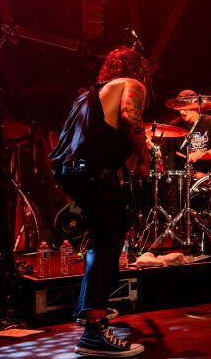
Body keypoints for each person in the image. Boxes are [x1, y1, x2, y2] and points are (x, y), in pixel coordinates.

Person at [50, 46, 151, 357]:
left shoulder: (89, 95)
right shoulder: (132, 84)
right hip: (93, 171)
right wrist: (144, 158)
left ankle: (89, 311)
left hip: (71, 170)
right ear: (138, 70)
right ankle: (93, 330)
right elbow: (131, 117)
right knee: (109, 237)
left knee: (101, 237)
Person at [156, 89, 211, 179]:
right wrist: (150, 145)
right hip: (182, 175)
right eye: (180, 108)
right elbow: (161, 152)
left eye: (185, 107)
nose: (181, 112)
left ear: (195, 106)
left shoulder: (210, 122)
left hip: (206, 174)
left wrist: (199, 155)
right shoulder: (174, 126)